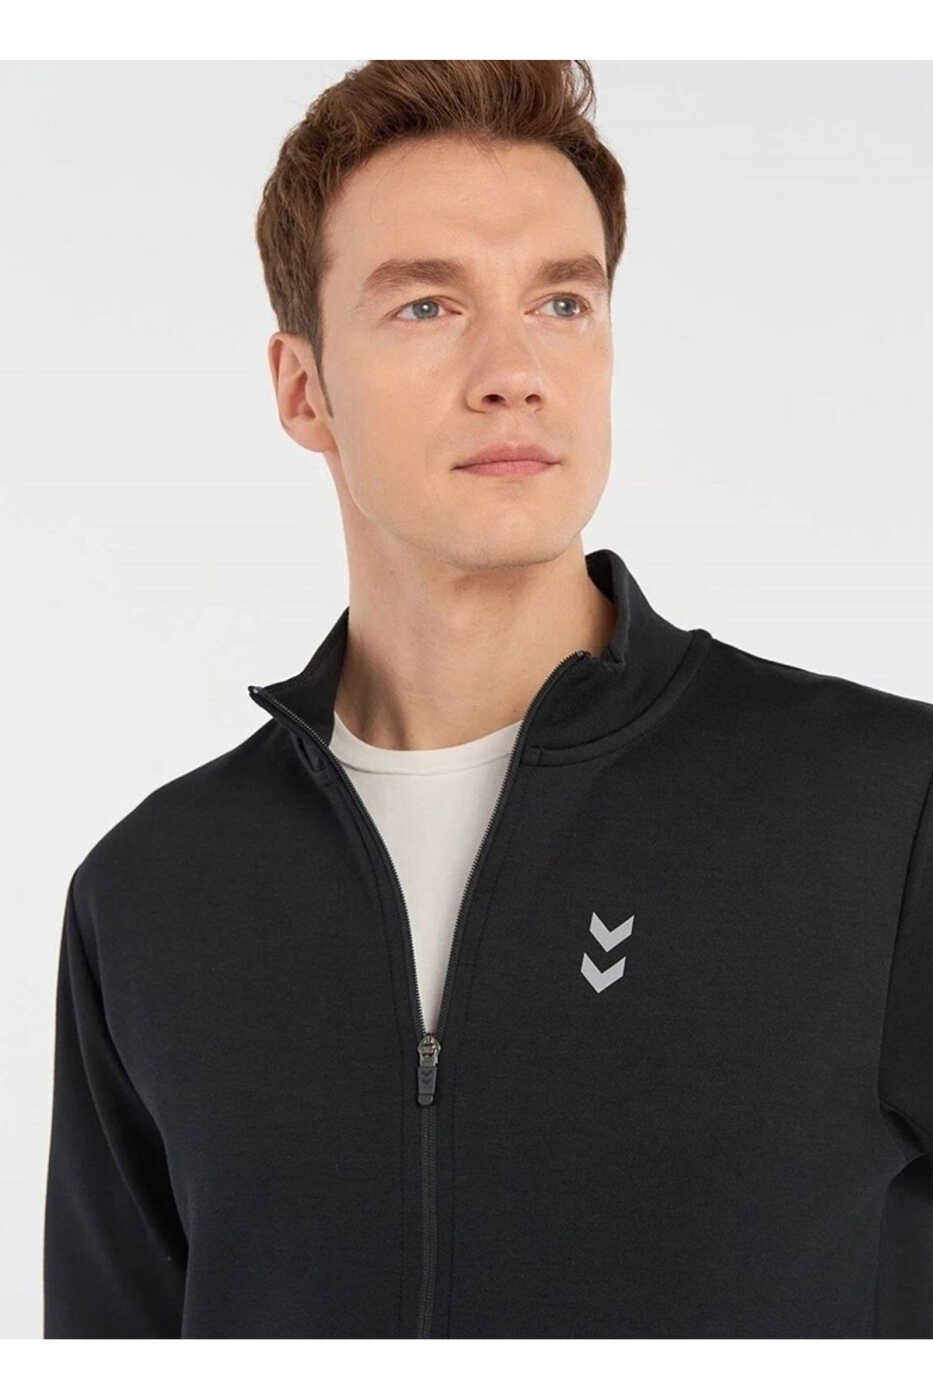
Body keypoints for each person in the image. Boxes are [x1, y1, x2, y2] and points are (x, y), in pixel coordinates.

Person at [43, 60, 933, 1339]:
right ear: (303, 389)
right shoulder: (150, 895)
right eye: (427, 305)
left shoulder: (886, 811)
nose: (514, 370)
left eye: (563, 301)